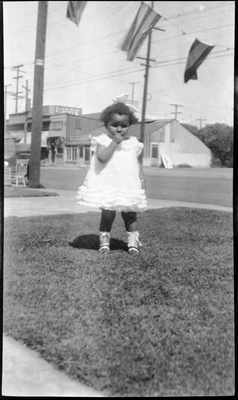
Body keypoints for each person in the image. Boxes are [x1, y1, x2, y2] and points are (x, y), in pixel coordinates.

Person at [77, 101, 147, 254]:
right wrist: (114, 143)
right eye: (114, 125)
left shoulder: (134, 143)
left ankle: (132, 243)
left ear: (130, 125)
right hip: (109, 183)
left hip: (128, 184)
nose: (119, 129)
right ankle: (104, 242)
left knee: (130, 214)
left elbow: (137, 164)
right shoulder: (103, 140)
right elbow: (102, 158)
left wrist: (142, 180)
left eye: (124, 125)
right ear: (106, 124)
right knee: (108, 213)